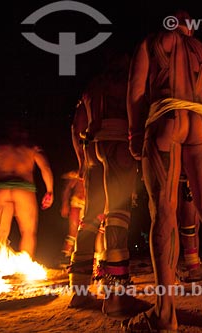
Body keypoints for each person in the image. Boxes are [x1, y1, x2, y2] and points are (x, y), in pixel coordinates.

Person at [125, 10, 202, 332]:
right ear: (193, 28)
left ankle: (165, 313)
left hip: (166, 118)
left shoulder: (153, 42)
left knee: (163, 209)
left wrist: (134, 133)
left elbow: (136, 90)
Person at [68, 50, 138, 316]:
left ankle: (79, 293)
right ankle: (116, 296)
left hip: (92, 148)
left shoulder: (93, 85)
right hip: (118, 143)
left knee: (89, 219)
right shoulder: (129, 81)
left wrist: (81, 162)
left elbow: (77, 125)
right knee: (118, 215)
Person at [0, 121, 54, 258]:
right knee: (28, 232)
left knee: (0, 235)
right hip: (24, 190)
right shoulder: (31, 148)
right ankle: (24, 273)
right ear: (24, 133)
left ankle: (0, 270)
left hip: (1, 190)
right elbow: (46, 168)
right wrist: (50, 191)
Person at [59, 170, 85, 266]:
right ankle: (66, 256)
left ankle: (81, 258)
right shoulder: (77, 173)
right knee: (73, 232)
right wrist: (65, 204)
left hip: (89, 205)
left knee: (86, 232)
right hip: (77, 203)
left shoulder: (95, 169)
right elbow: (67, 189)